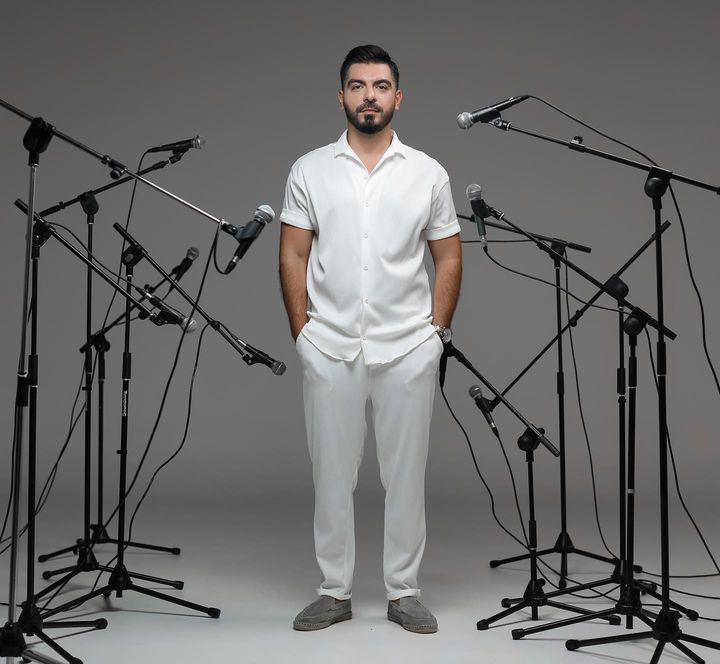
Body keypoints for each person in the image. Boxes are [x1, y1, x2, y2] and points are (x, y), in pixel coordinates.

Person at [279, 44, 461, 634]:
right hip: (329, 343)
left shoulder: (428, 173)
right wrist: (302, 332)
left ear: (397, 97)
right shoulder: (309, 169)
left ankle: (404, 592)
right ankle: (334, 591)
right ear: (341, 96)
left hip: (407, 345)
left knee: (405, 476)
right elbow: (292, 253)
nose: (369, 96)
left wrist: (436, 334)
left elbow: (448, 256)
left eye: (380, 86)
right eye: (357, 86)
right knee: (331, 475)